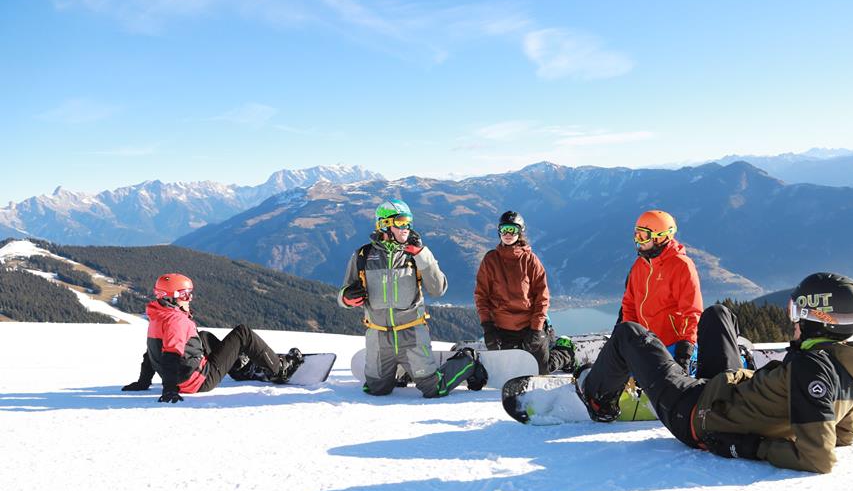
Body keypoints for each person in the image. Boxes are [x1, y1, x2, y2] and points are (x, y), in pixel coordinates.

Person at [575, 272, 853, 473]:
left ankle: (598, 398)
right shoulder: (847, 365)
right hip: (725, 393)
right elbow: (844, 434)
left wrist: (752, 446)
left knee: (630, 334)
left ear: (818, 318)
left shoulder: (809, 367)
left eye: (797, 314)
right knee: (718, 314)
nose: (793, 322)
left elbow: (819, 457)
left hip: (696, 414)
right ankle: (716, 365)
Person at [339, 199, 486, 397]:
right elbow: (344, 293)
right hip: (378, 337)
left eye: (408, 222)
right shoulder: (363, 256)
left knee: (434, 389)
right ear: (384, 224)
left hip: (412, 334)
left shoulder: (416, 254)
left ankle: (467, 361)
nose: (406, 227)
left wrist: (423, 256)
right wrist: (346, 298)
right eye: (400, 222)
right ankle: (401, 370)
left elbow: (438, 289)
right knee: (376, 390)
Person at [121, 273, 303, 403]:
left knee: (203, 337)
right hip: (199, 381)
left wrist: (143, 382)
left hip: (185, 378)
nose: (189, 298)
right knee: (243, 333)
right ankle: (280, 370)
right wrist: (169, 390)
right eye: (185, 294)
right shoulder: (176, 321)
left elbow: (151, 353)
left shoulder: (158, 316)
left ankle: (240, 367)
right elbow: (170, 356)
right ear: (171, 297)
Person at [620, 209, 703, 374]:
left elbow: (692, 310)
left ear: (661, 236)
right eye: (637, 235)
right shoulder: (639, 265)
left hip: (673, 345)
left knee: (666, 386)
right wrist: (630, 337)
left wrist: (685, 347)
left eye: (644, 236)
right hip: (646, 344)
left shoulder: (681, 265)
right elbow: (629, 305)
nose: (638, 241)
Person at [475, 211, 551, 373]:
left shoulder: (530, 260)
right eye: (504, 229)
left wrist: (536, 329)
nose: (508, 234)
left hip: (529, 328)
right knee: (506, 374)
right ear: (499, 232)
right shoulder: (490, 260)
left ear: (520, 232)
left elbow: (542, 298)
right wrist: (488, 328)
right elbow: (481, 296)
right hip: (502, 330)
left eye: (513, 230)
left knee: (542, 372)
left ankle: (565, 352)